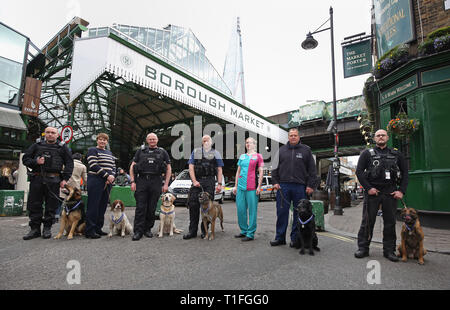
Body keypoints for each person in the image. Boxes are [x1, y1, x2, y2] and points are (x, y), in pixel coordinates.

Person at [354, 129, 408, 262]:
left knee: (390, 223)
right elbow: (359, 172)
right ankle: (363, 248)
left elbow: (405, 173)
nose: (381, 137)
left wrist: (401, 190)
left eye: (383, 135)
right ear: (374, 138)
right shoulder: (367, 154)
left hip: (390, 192)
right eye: (378, 135)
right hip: (373, 193)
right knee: (367, 221)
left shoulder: (397, 154)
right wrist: (368, 188)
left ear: (387, 137)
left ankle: (389, 251)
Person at [22, 127, 74, 240]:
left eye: (53, 133)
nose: (50, 134)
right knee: (34, 204)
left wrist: (65, 179)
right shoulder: (36, 145)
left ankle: (47, 228)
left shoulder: (62, 147)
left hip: (54, 180)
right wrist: (36, 161)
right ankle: (35, 229)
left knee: (51, 205)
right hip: (37, 178)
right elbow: (25, 159)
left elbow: (69, 164)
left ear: (57, 134)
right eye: (48, 132)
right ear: (45, 133)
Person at [270, 128, 318, 247]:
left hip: (300, 187)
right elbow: (274, 168)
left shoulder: (306, 150)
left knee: (299, 214)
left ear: (299, 137)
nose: (293, 137)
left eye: (295, 135)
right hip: (283, 186)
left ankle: (295, 239)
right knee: (282, 213)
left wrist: (311, 185)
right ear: (288, 137)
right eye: (291, 135)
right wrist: (275, 182)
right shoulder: (281, 151)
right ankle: (280, 237)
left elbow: (312, 170)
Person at [129, 133, 171, 241]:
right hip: (142, 180)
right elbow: (132, 166)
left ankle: (147, 229)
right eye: (150, 139)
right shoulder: (141, 151)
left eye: (154, 139)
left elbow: (168, 168)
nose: (152, 140)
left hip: (156, 180)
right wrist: (133, 181)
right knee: (140, 207)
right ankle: (138, 231)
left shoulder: (162, 152)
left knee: (152, 207)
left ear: (157, 140)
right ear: (147, 140)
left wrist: (166, 184)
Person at [183, 135, 224, 240]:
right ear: (202, 142)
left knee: (208, 207)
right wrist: (194, 181)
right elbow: (191, 167)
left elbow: (219, 169)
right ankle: (192, 231)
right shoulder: (195, 152)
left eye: (208, 140)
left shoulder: (216, 153)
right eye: (204, 140)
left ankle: (204, 230)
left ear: (211, 142)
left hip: (210, 181)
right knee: (193, 205)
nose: (206, 142)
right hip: (198, 181)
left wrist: (219, 184)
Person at [232, 137, 264, 242]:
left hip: (252, 187)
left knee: (252, 211)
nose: (248, 144)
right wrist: (235, 186)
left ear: (255, 144)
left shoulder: (258, 156)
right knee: (241, 210)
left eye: (250, 143)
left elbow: (261, 171)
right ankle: (244, 230)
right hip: (241, 187)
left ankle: (250, 234)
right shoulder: (242, 156)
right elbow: (238, 172)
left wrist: (259, 186)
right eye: (246, 142)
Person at [85, 133, 116, 239]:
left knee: (102, 206)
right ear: (97, 140)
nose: (102, 141)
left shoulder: (109, 152)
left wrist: (112, 176)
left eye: (104, 140)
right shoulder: (92, 150)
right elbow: (93, 165)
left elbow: (113, 166)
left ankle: (98, 228)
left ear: (107, 142)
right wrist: (107, 175)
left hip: (107, 182)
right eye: (100, 139)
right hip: (95, 180)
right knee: (93, 206)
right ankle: (90, 230)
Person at [56, 153, 88, 221]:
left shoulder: (66, 164)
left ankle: (56, 216)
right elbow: (85, 179)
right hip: (75, 188)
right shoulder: (83, 166)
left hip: (65, 185)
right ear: (80, 159)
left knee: (60, 201)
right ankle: (70, 216)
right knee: (73, 203)